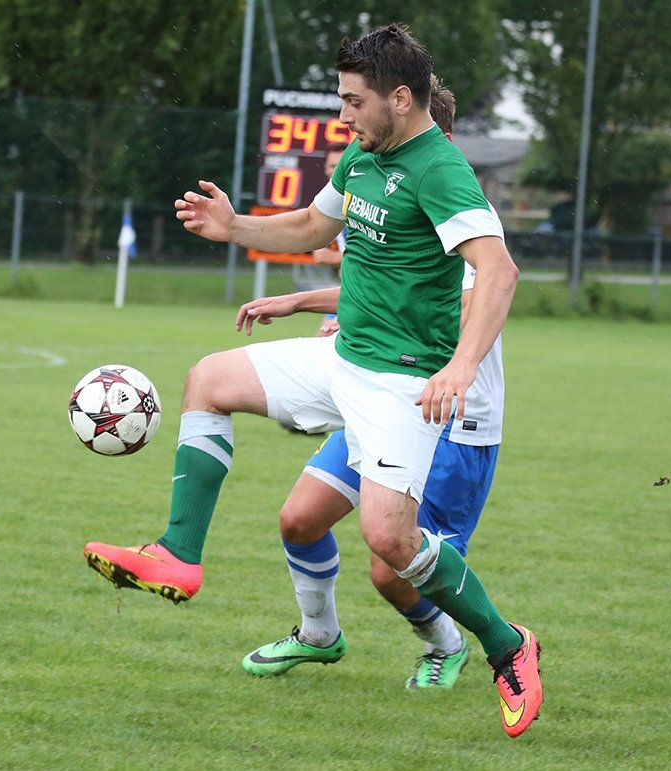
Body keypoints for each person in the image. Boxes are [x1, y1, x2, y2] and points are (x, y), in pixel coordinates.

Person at [84, 25, 542, 737]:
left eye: (353, 101)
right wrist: (235, 227)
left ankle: (507, 645)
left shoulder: (440, 169)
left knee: (389, 542)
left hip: (398, 383)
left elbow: (500, 271)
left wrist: (460, 366)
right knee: (208, 379)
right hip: (343, 359)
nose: (342, 115)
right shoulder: (364, 156)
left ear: (400, 97)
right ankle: (177, 553)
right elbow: (307, 225)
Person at [241, 78, 506, 691]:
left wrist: (366, 322)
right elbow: (383, 291)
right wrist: (303, 302)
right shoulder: (392, 182)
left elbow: (457, 308)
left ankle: (447, 645)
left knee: (391, 568)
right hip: (382, 394)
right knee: (299, 519)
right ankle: (318, 635)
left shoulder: (460, 210)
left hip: (453, 421)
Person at [311, 142, 349, 269]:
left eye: (342, 165)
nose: (337, 171)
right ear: (326, 169)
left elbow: (377, 254)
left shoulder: (364, 200)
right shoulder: (333, 203)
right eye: (333, 166)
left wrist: (335, 258)